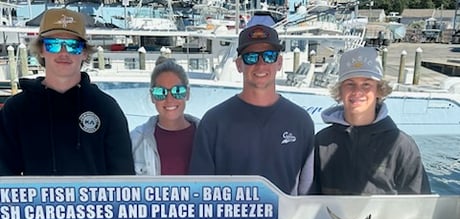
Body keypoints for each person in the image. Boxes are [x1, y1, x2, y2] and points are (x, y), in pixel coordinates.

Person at [0, 8, 134, 175]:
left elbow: (123, 177)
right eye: (54, 45)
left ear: (84, 52)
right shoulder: (16, 110)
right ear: (41, 49)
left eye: (73, 46)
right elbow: (4, 176)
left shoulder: (106, 108)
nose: (63, 52)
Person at [189, 24, 315, 195]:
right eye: (251, 57)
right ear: (239, 64)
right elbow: (200, 192)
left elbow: (307, 196)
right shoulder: (213, 122)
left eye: (269, 56)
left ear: (279, 62)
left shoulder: (301, 122)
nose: (261, 64)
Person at [314, 46, 431, 195]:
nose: (357, 91)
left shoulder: (402, 146)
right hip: (329, 218)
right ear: (340, 91)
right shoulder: (321, 142)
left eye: (366, 84)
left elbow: (419, 203)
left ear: (379, 90)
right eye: (350, 83)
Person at [130, 57, 199, 175]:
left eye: (178, 91)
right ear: (152, 96)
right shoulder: (136, 140)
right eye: (160, 92)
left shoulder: (207, 137)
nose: (169, 99)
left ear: (187, 94)